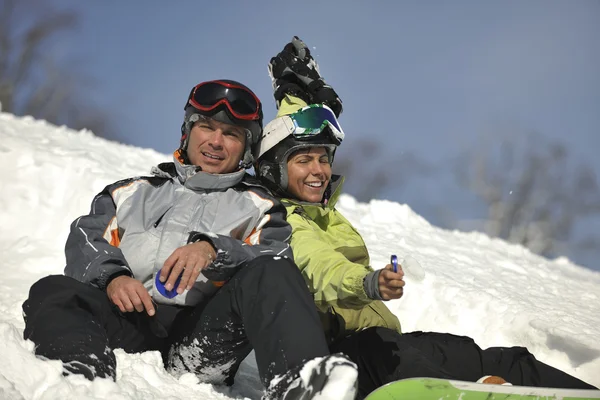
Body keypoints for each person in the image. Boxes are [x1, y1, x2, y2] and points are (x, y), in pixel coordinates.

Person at [254, 37, 598, 399]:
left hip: (389, 344)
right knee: (408, 368)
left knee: (503, 361)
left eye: (324, 158)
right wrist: (368, 283)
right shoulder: (280, 221)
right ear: (275, 169)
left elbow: (291, 130)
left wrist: (294, 89)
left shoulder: (323, 215)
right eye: (303, 160)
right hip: (344, 357)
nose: (319, 169)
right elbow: (319, 267)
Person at [21, 79, 358, 400]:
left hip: (203, 338)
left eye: (231, 134)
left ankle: (302, 383)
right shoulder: (131, 193)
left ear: (245, 148)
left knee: (273, 271)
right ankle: (84, 382)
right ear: (187, 132)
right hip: (126, 321)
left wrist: (214, 249)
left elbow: (275, 256)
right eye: (206, 127)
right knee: (54, 290)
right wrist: (113, 277)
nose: (216, 141)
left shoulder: (261, 207)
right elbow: (87, 237)